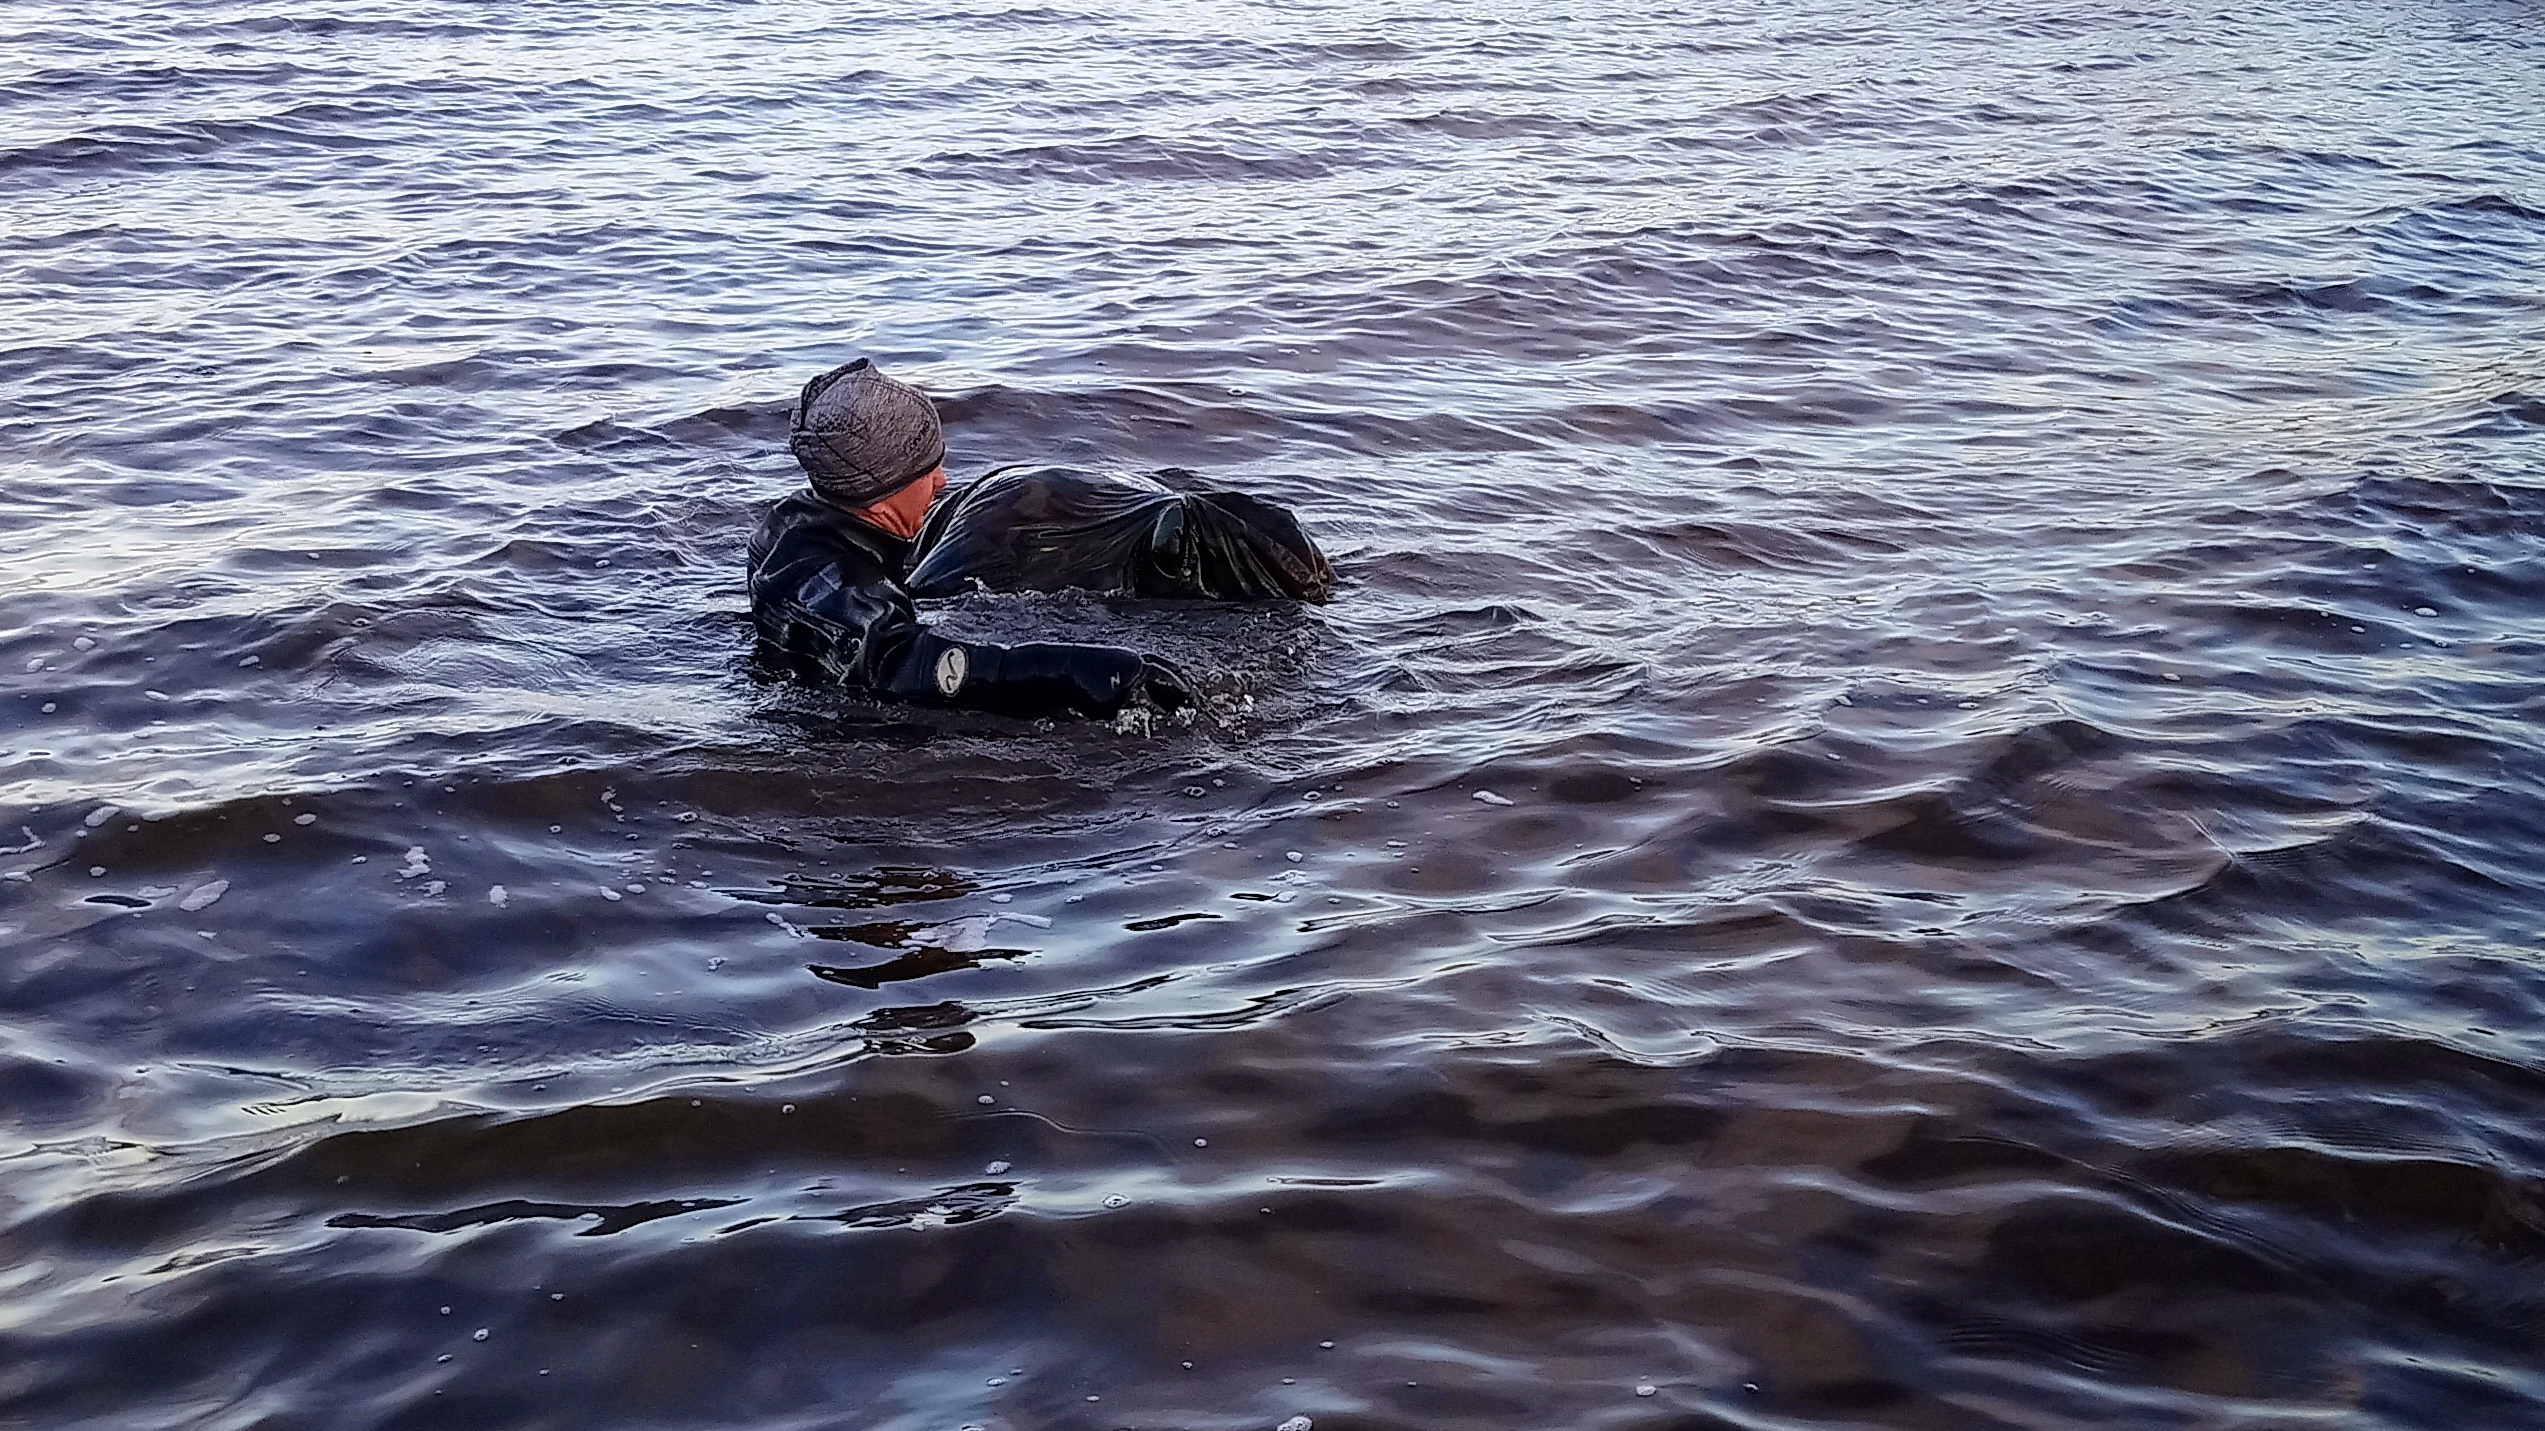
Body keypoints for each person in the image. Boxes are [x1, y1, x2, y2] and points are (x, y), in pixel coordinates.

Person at [747, 358, 1331, 717]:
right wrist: (1069, 671)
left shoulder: (810, 522)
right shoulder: (817, 573)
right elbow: (897, 664)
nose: (944, 480)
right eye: (927, 469)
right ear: (884, 484)